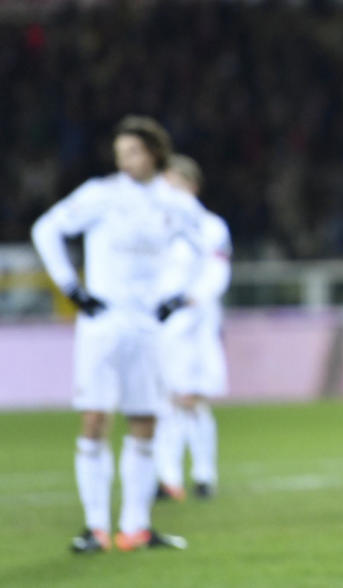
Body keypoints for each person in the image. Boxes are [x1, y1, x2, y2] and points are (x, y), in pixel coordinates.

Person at [31, 115, 201, 553]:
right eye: (121, 153)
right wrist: (72, 288)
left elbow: (205, 247)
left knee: (145, 421)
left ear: (154, 155)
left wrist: (175, 296)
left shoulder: (174, 203)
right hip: (102, 325)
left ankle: (136, 527)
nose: (125, 160)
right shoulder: (101, 195)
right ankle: (95, 528)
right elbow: (46, 229)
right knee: (95, 418)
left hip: (146, 328)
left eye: (133, 152)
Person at [153, 154, 232, 501]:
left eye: (175, 185)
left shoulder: (211, 227)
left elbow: (218, 273)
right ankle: (168, 478)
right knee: (167, 400)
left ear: (192, 186)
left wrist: (191, 300)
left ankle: (203, 474)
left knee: (192, 399)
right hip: (163, 324)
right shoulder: (156, 226)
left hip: (198, 323)